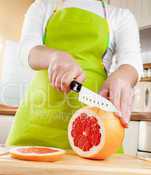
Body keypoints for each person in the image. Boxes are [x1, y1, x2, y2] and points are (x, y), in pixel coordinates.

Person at [6, 0, 143, 152]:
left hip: (94, 132)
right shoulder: (43, 6)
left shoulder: (121, 16)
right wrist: (53, 57)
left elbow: (131, 61)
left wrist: (122, 76)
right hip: (34, 123)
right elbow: (27, 50)